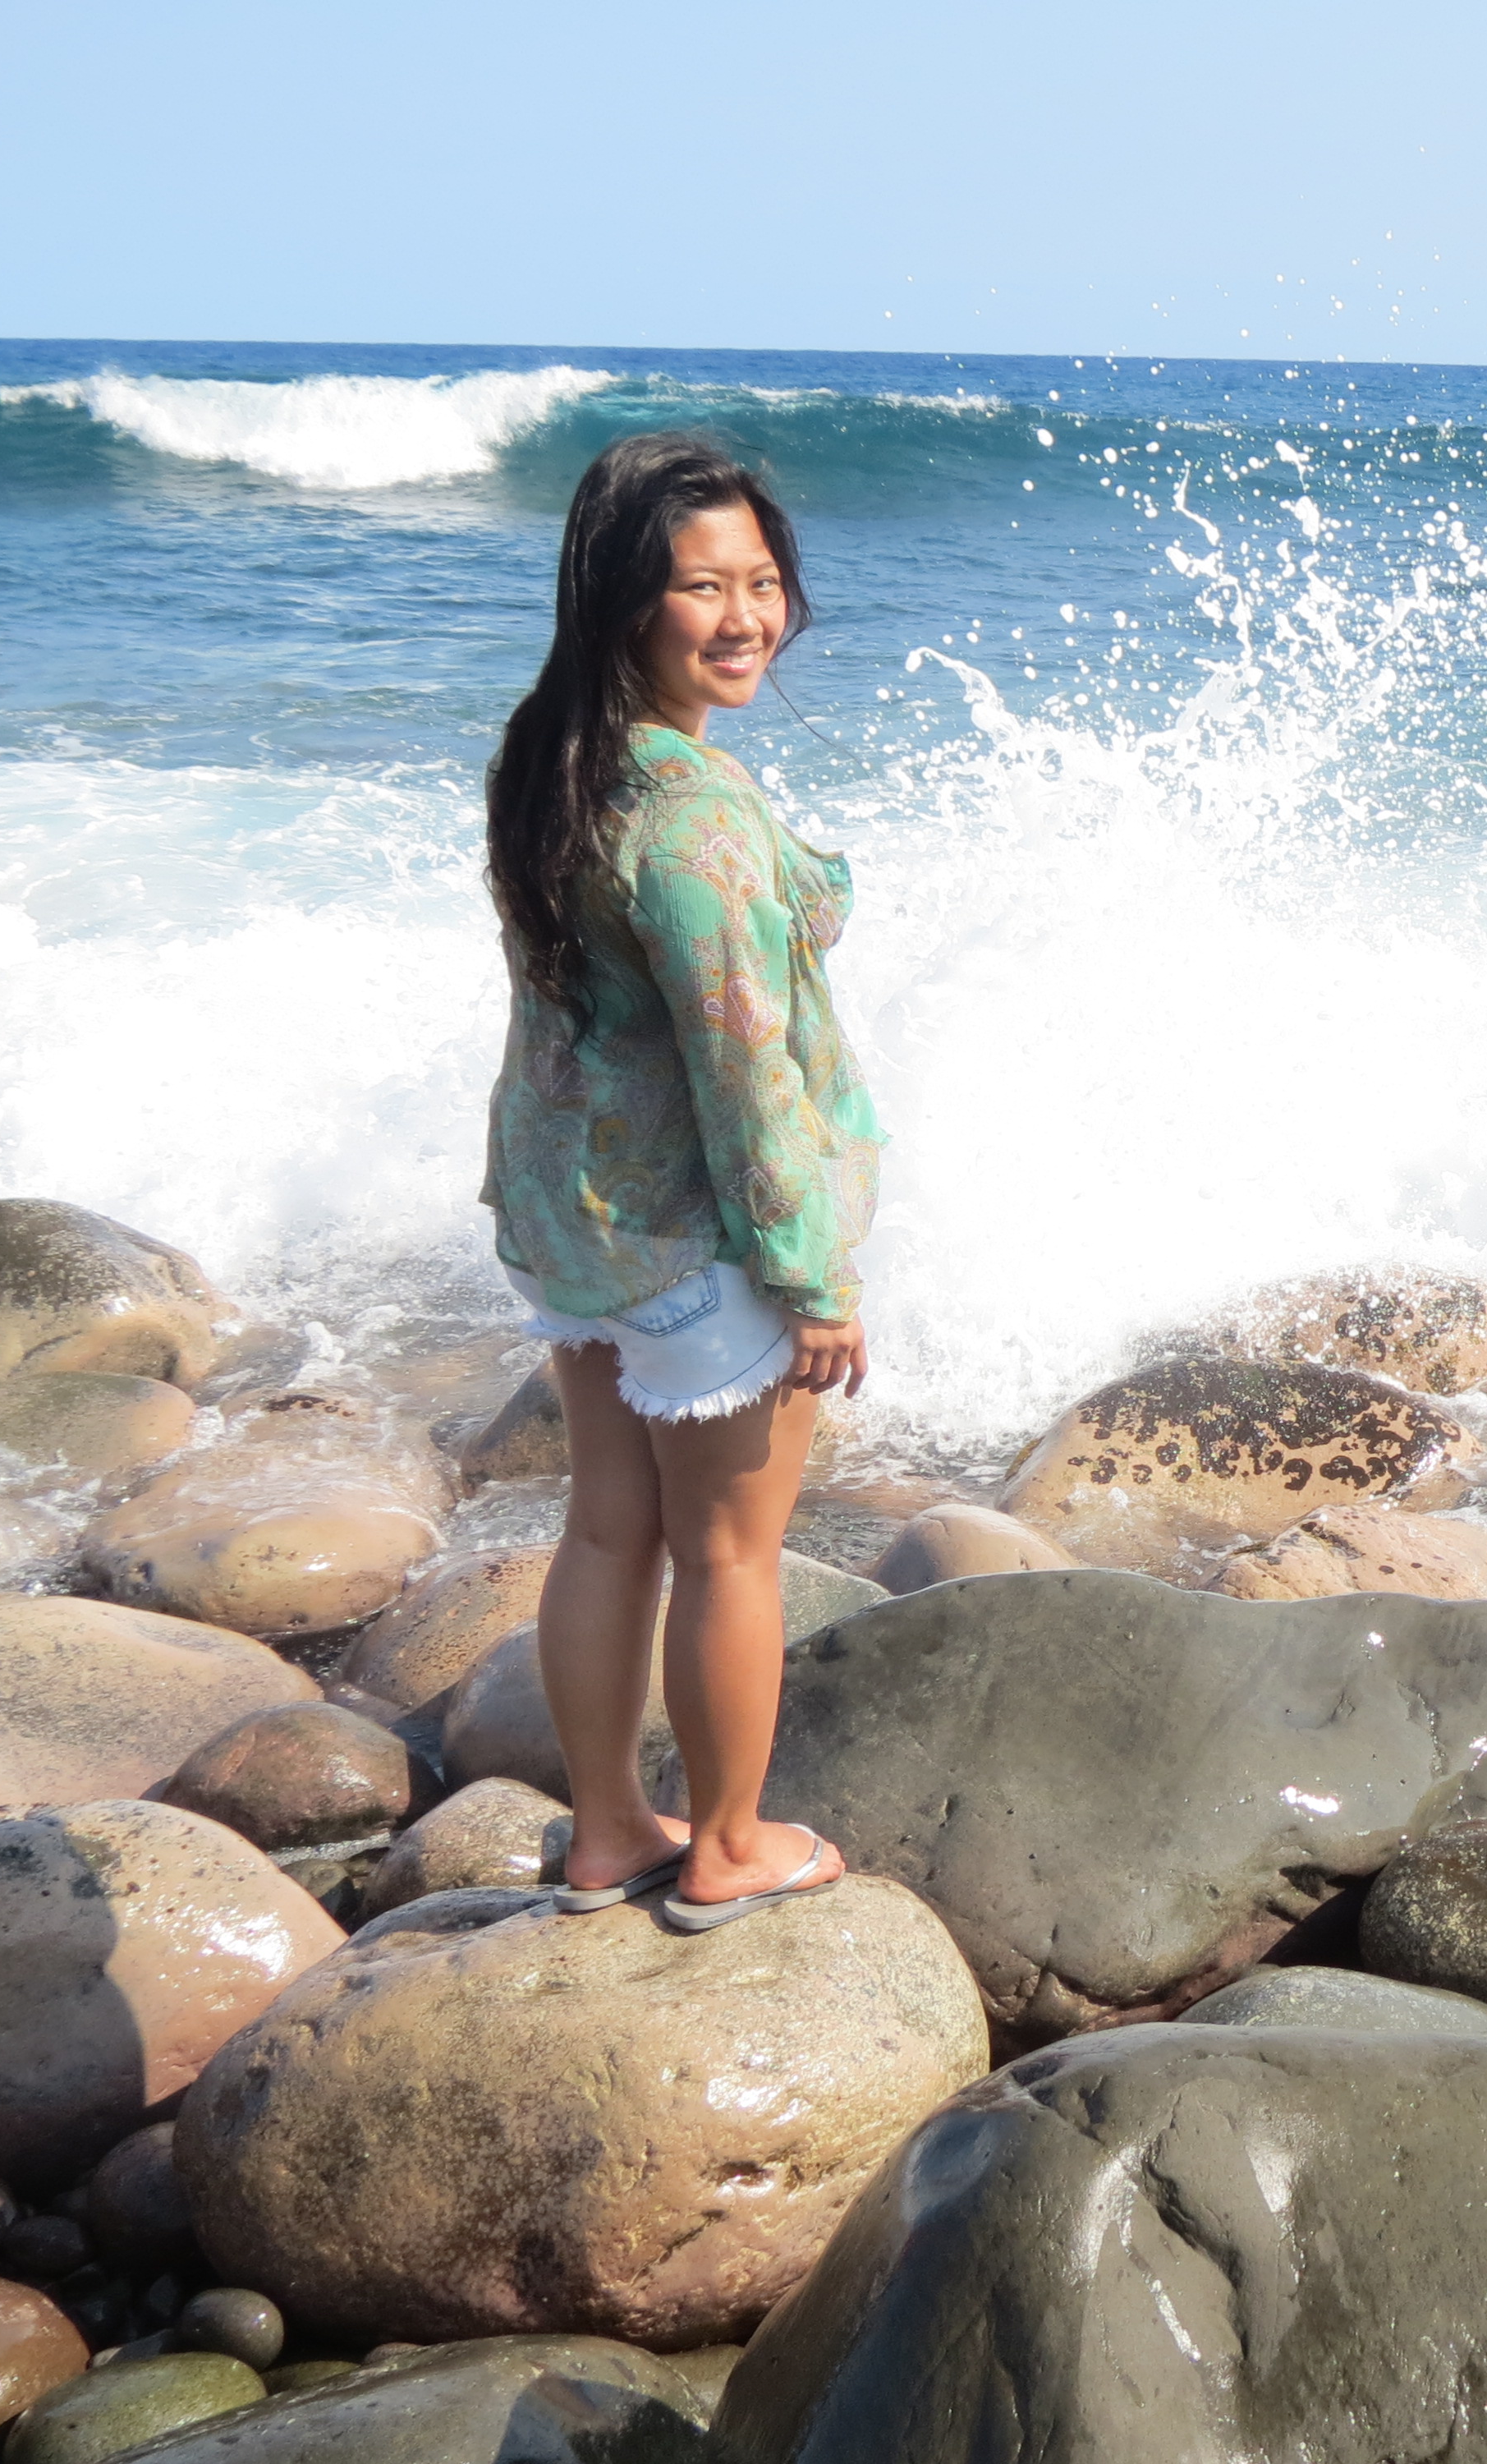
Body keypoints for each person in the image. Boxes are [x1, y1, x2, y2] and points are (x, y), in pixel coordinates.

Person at [479, 430, 881, 1931]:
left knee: (608, 1527)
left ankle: (605, 1831)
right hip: (703, 1240)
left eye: (762, 581)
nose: (747, 616)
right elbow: (744, 1072)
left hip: (579, 1219)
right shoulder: (695, 817)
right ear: (625, 600)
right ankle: (725, 1845)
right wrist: (812, 1277)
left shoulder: (551, 761)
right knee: (728, 1551)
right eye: (702, 586)